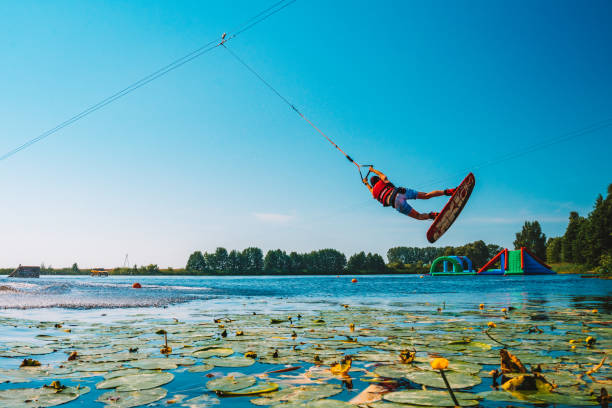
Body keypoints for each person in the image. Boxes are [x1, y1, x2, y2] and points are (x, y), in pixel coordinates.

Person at [364, 168, 455, 220]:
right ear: (378, 179)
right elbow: (382, 175)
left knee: (418, 216)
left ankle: (433, 215)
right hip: (401, 192)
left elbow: (370, 190)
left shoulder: (374, 193)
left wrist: (366, 183)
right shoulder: (382, 181)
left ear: (373, 184)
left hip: (396, 203)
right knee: (426, 196)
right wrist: (373, 170)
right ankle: (448, 192)